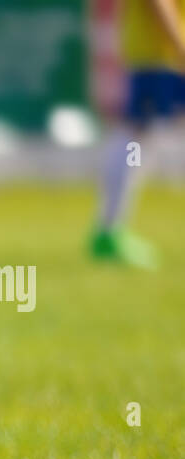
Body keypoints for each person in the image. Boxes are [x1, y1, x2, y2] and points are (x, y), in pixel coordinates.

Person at [91, 0, 185, 269]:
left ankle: (110, 229)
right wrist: (180, 48)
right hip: (159, 57)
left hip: (156, 56)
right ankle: (110, 230)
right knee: (136, 136)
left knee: (139, 136)